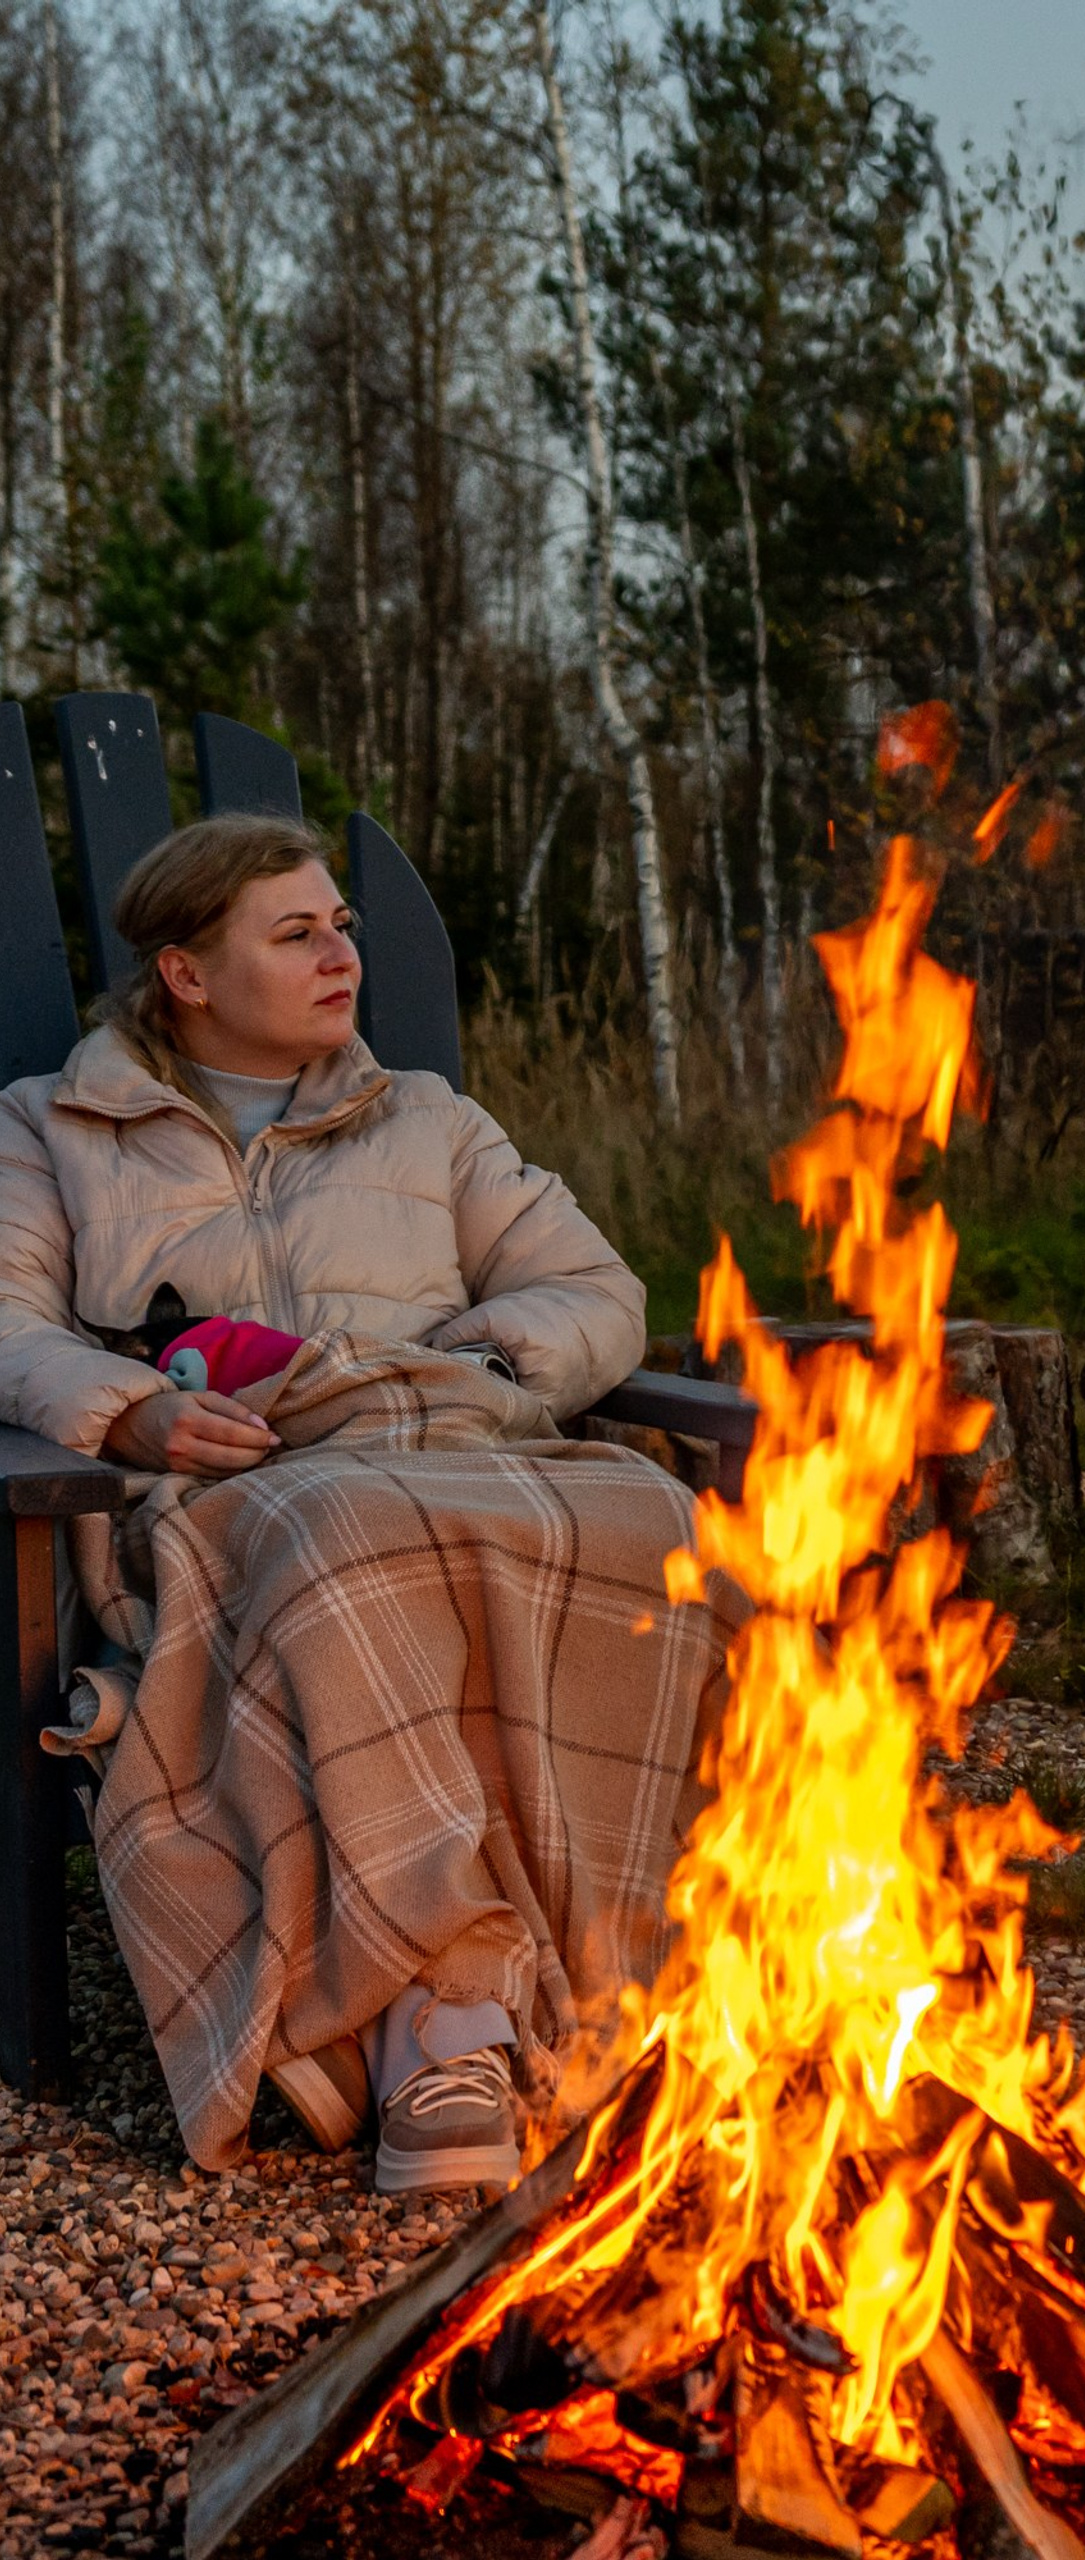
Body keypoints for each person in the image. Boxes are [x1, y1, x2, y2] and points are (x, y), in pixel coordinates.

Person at [0, 816, 716, 2193]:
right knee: (342, 1543)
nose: (343, 955)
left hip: (452, 1439)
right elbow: (9, 1321)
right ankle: (447, 2013)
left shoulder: (430, 1120)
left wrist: (478, 1368)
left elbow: (594, 1295)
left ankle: (639, 1986)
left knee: (656, 1526)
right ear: (188, 972)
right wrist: (126, 1410)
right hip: (234, 1482)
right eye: (298, 933)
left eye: (344, 924)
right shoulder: (51, 1128)